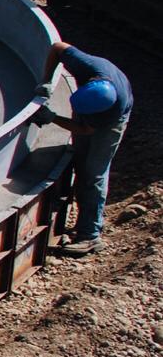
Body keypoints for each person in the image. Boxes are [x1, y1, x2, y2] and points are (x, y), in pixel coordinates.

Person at [32, 41, 133, 256]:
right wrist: (46, 80)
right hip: (93, 105)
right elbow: (57, 47)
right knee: (81, 162)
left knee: (94, 174)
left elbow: (85, 129)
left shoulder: (109, 112)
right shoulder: (88, 66)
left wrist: (54, 118)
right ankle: (85, 219)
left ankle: (90, 235)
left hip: (111, 124)